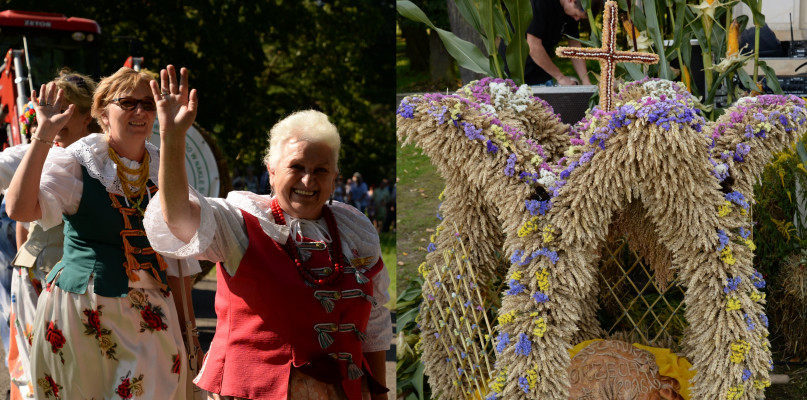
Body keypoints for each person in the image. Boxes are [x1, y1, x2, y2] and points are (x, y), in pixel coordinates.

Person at [144, 109, 392, 400]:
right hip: (250, 392)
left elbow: (375, 322)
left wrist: (380, 395)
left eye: (321, 170)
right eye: (296, 167)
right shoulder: (240, 221)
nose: (308, 181)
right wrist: (172, 139)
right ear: (272, 172)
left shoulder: (354, 230)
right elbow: (177, 216)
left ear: (335, 177)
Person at [5, 65, 200, 399]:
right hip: (83, 307)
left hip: (151, 311)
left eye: (148, 104)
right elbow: (19, 210)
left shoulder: (162, 167)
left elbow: (178, 259)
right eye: (128, 102)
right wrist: (43, 134)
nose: (140, 111)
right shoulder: (79, 162)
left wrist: (189, 330)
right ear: (102, 113)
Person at [0, 70, 97, 400]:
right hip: (37, 278)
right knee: (37, 369)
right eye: (50, 110)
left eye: (64, 110)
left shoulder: (103, 156)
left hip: (86, 284)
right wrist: (25, 262)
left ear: (87, 116)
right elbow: (19, 215)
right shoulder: (38, 151)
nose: (55, 118)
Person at [525, 0, 592, 86]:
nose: (576, 19)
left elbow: (574, 46)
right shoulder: (540, 3)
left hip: (543, 72)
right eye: (576, 15)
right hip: (520, 75)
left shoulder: (570, 11)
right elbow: (533, 47)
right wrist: (560, 77)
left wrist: (586, 81)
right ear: (571, 0)